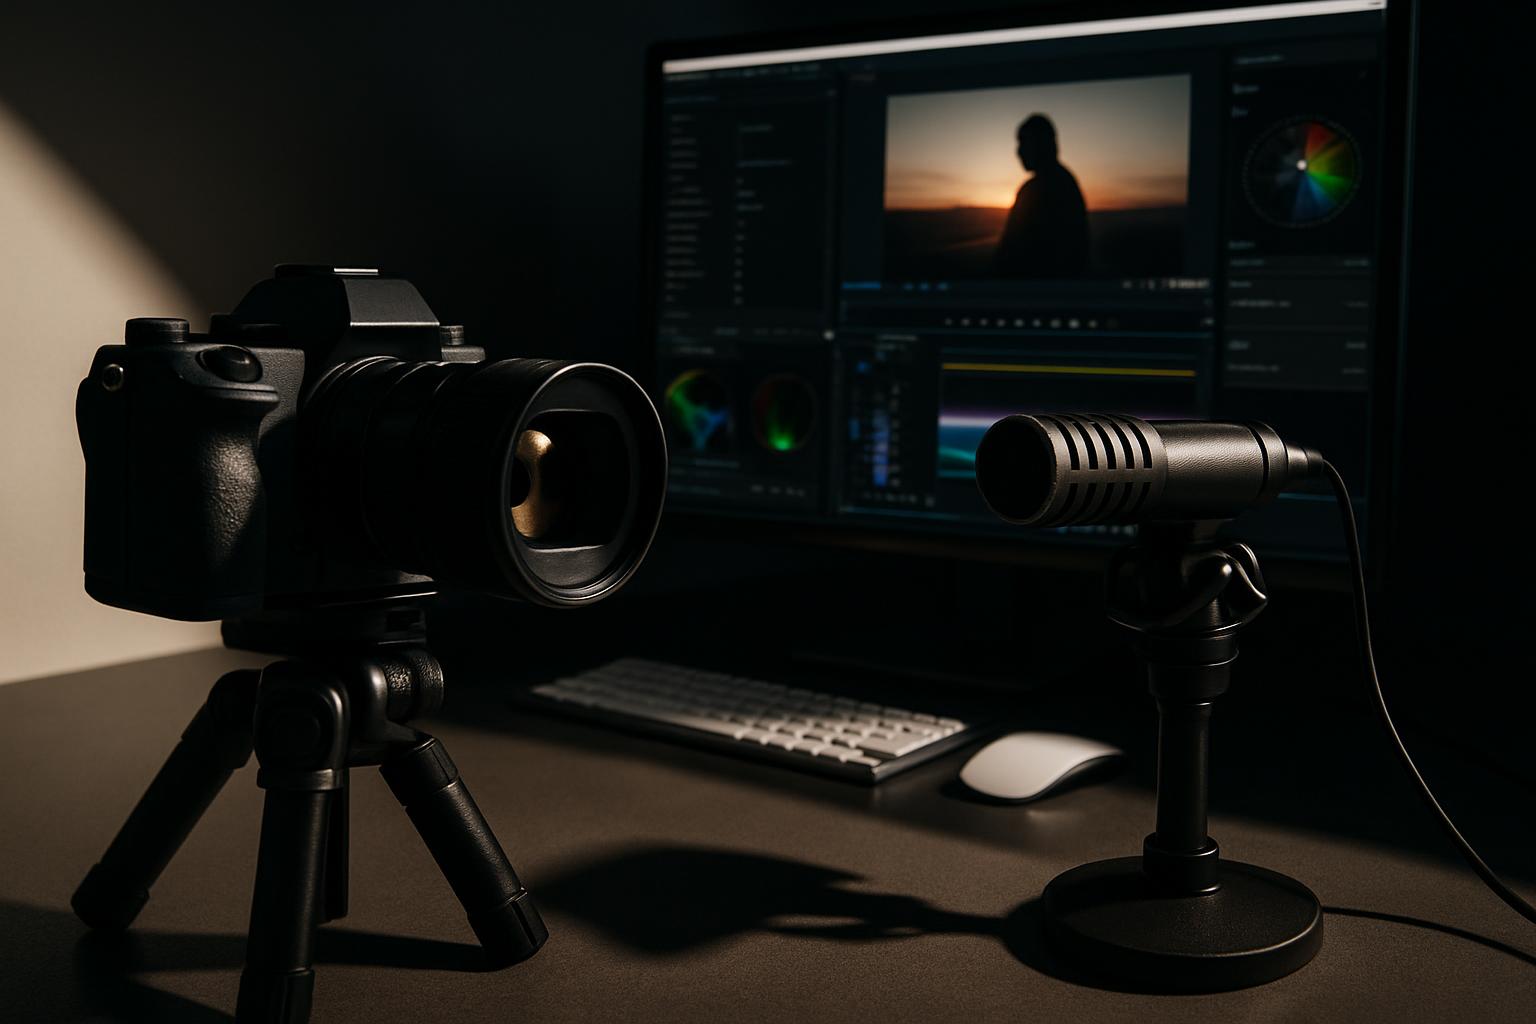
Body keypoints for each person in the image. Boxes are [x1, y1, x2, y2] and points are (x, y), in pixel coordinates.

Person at [993, 114, 1090, 277]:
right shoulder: (1064, 180)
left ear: (1042, 144)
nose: (1018, 151)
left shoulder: (1038, 189)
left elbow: (1012, 252)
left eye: (1024, 142)